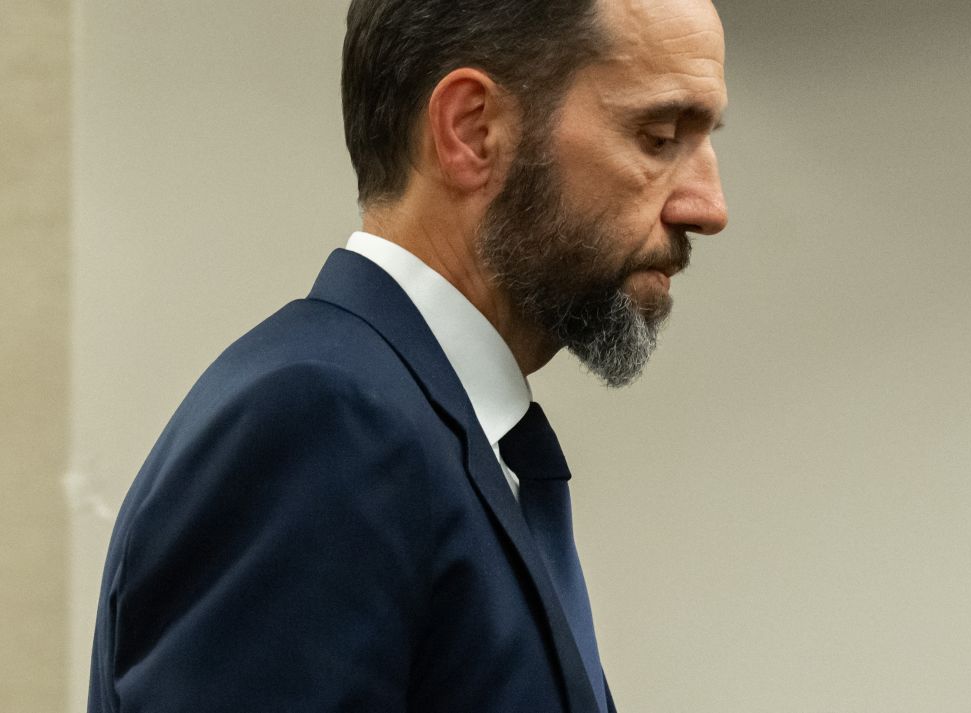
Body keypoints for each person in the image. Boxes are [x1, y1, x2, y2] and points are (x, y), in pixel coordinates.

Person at [86, 0, 727, 710]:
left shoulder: (425, 430)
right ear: (472, 130)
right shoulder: (322, 425)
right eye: (659, 137)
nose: (709, 205)